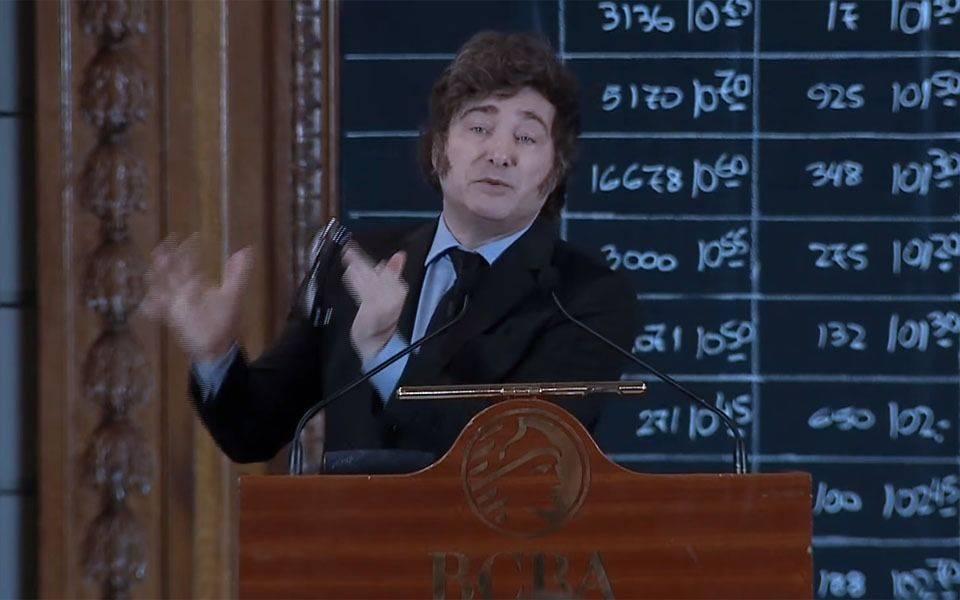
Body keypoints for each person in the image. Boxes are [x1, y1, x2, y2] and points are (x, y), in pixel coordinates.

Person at [142, 31, 638, 466]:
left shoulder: (587, 297)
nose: (500, 153)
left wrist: (386, 353)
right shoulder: (356, 265)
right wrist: (215, 355)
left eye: (526, 137)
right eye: (479, 128)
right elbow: (254, 431)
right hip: (350, 542)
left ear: (554, 172)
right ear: (439, 149)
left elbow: (522, 454)